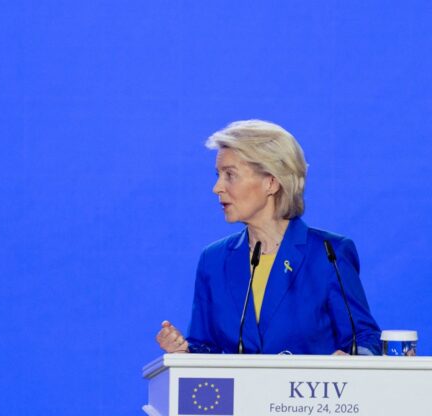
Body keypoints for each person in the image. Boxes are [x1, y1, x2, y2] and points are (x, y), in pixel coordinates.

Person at [156, 120, 381, 355]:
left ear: (271, 182)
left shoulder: (329, 253)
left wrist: (352, 358)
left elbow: (365, 338)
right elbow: (205, 348)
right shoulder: (213, 260)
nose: (217, 187)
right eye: (218, 175)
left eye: (230, 175)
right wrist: (184, 353)